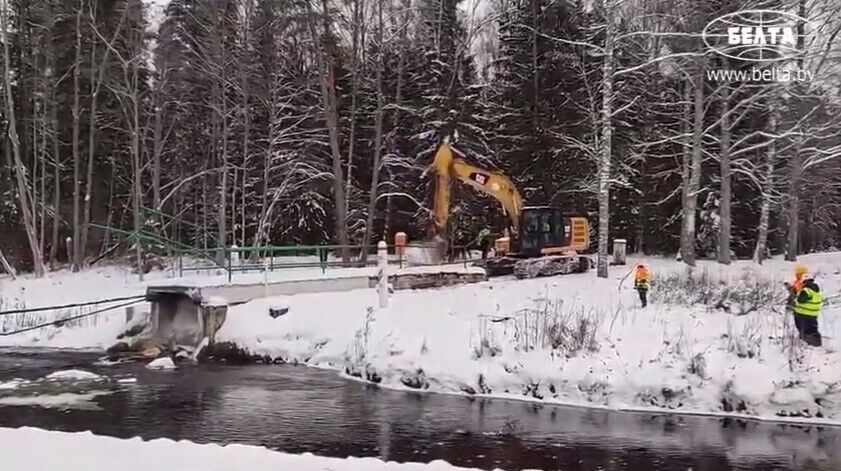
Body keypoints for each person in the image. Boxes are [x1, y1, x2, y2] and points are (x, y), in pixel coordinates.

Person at [791, 276, 824, 347]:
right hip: (813, 314)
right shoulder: (818, 292)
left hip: (803, 313)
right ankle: (816, 343)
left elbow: (800, 300)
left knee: (803, 329)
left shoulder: (806, 291)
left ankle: (808, 343)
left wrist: (795, 296)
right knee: (812, 329)